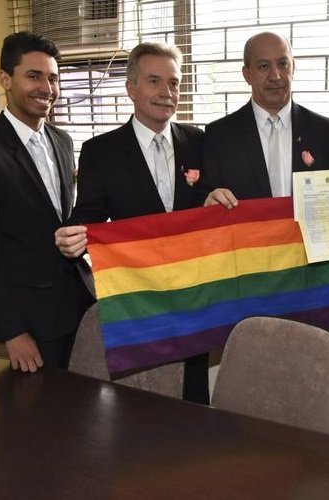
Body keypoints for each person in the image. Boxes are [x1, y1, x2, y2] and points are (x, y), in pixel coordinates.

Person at [54, 42, 209, 404]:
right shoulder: (100, 151)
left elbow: (209, 200)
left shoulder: (199, 142)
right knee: (141, 400)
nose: (167, 92)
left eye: (174, 83)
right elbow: (89, 214)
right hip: (139, 297)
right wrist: (72, 236)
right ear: (131, 88)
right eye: (154, 81)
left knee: (194, 399)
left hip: (195, 296)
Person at [0, 32, 95, 372]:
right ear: (5, 79)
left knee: (83, 398)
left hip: (77, 306)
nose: (47, 88)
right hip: (28, 319)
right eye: (33, 76)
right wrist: (11, 332)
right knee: (38, 405)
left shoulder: (63, 140)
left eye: (53, 78)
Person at [202, 31, 329, 213]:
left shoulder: (324, 131)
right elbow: (204, 201)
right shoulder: (219, 135)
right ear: (247, 74)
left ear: (293, 68)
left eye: (283, 64)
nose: (275, 76)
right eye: (264, 66)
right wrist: (208, 203)